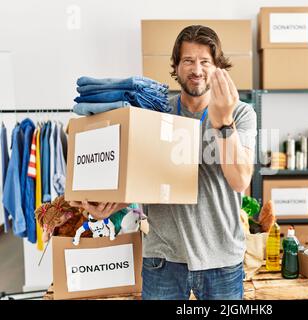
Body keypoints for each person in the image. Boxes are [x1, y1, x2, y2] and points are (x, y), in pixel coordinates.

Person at [70, 25, 257, 300]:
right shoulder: (155, 111)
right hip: (163, 259)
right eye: (188, 61)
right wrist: (111, 204)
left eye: (205, 61)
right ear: (176, 66)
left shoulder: (240, 113)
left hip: (221, 260)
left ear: (218, 67)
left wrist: (223, 121)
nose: (197, 69)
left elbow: (240, 180)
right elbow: (144, 178)